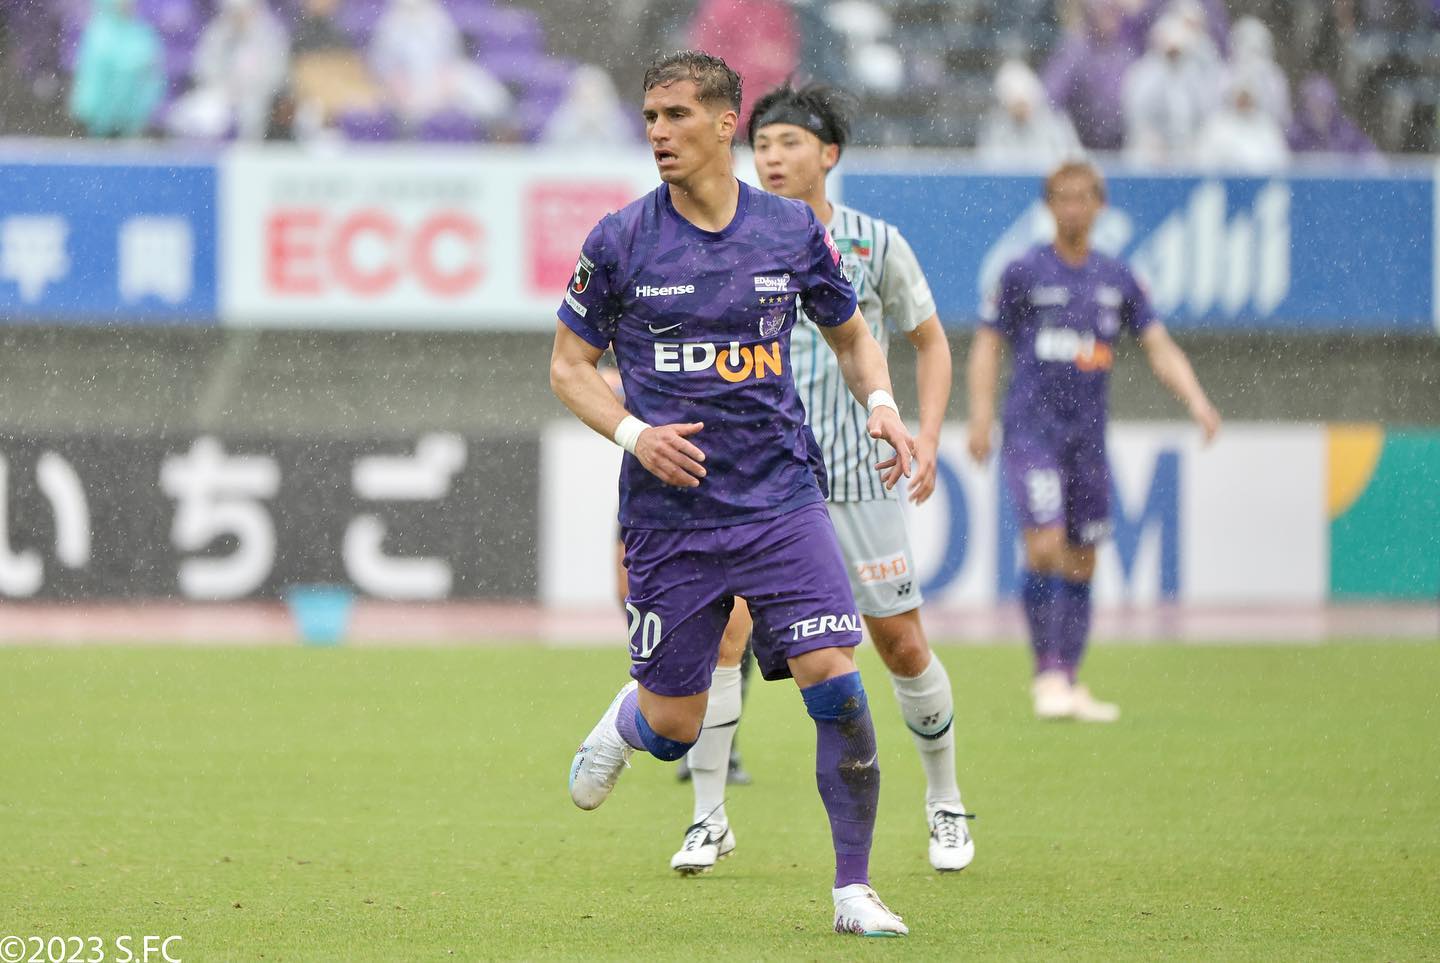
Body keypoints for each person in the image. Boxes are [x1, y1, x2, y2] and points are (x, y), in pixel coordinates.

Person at [550, 51, 916, 937]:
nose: (658, 132)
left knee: (836, 680)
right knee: (676, 724)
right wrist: (635, 434)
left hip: (781, 499)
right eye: (650, 117)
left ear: (724, 124)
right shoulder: (620, 240)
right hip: (670, 517)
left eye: (676, 115)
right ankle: (629, 722)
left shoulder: (789, 231)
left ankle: (854, 889)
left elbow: (852, 337)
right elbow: (569, 367)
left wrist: (881, 403)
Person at [664, 78, 976, 880]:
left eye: (789, 142)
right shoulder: (734, 237)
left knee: (900, 643)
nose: (771, 156)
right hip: (762, 479)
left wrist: (926, 433)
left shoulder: (874, 243)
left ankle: (945, 799)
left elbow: (930, 341)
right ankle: (707, 817)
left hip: (857, 478)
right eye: (762, 143)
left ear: (828, 154)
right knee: (726, 635)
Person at [967, 160, 1221, 722]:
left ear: (1100, 205)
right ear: (1048, 205)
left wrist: (1197, 400)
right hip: (1032, 432)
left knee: (1083, 558)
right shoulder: (1023, 272)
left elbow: (1158, 345)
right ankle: (1047, 675)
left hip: (1087, 440)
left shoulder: (1118, 278)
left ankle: (1069, 678)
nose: (1073, 208)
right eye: (1062, 197)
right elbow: (988, 343)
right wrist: (980, 416)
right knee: (1044, 545)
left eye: (1083, 197)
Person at [166, 0, 290, 141]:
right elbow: (204, 67)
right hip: (221, 93)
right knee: (196, 115)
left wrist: (248, 89)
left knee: (254, 117)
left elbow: (276, 75)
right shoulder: (218, 31)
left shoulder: (270, 35)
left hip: (258, 97)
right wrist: (224, 88)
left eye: (244, 12)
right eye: (235, 13)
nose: (240, 17)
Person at [68, 0, 165, 138]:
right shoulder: (97, 34)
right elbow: (91, 82)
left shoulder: (143, 34)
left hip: (135, 122)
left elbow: (154, 76)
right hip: (99, 123)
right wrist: (90, 113)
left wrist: (146, 112)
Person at [978, 59, 1083, 169]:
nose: (1021, 110)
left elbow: (1075, 162)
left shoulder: (1055, 124)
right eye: (1016, 104)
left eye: (1024, 103)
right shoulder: (995, 128)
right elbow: (989, 166)